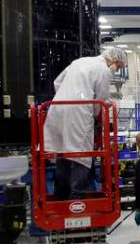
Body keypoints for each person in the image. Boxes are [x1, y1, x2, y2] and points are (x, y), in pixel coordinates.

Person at [44, 46, 127, 200]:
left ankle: (60, 196)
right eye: (118, 67)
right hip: (79, 114)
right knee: (82, 155)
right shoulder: (103, 70)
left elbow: (57, 82)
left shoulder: (80, 61)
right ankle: (76, 199)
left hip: (57, 109)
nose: (116, 70)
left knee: (63, 153)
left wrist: (68, 97)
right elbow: (100, 99)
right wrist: (96, 115)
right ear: (114, 61)